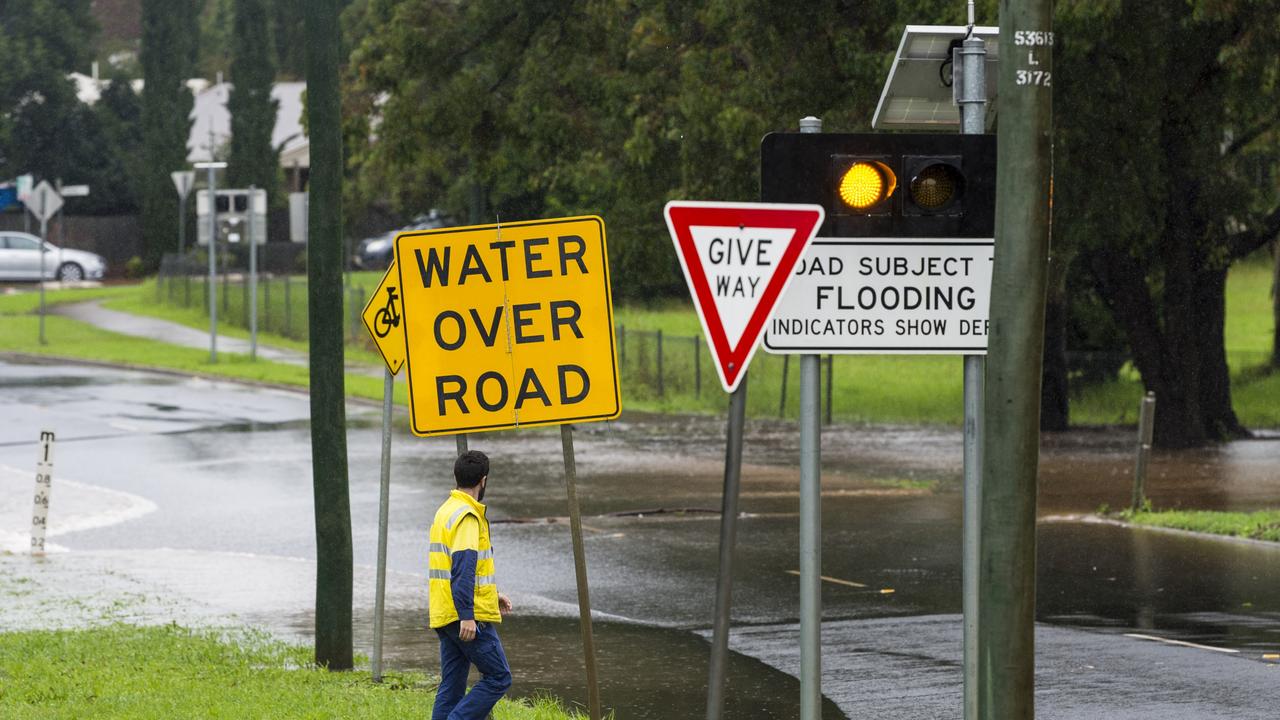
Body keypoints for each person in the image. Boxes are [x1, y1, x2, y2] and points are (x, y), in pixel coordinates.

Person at [428, 449, 514, 720]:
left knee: (452, 687)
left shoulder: (446, 510)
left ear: (456, 476)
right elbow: (462, 570)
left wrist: (492, 594)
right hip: (465, 616)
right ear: (483, 481)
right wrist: (468, 616)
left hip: (445, 612)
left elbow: (461, 570)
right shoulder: (467, 516)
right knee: (499, 677)